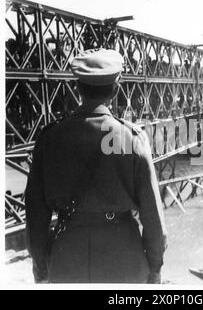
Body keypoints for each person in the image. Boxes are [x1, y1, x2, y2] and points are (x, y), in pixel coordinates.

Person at [25, 48, 167, 283]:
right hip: (123, 258)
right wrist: (155, 265)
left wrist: (40, 262)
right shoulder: (132, 138)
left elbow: (35, 211)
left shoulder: (49, 137)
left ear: (78, 88)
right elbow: (152, 215)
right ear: (117, 87)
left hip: (67, 257)